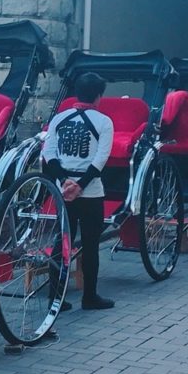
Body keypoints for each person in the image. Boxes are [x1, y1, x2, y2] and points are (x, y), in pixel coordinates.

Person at [42, 71, 116, 310]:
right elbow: (100, 160)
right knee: (91, 244)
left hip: (64, 191)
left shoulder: (58, 119)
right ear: (98, 96)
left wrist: (65, 181)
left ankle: (55, 296)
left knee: (62, 242)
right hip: (91, 192)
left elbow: (49, 154)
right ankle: (89, 296)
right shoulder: (104, 122)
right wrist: (81, 185)